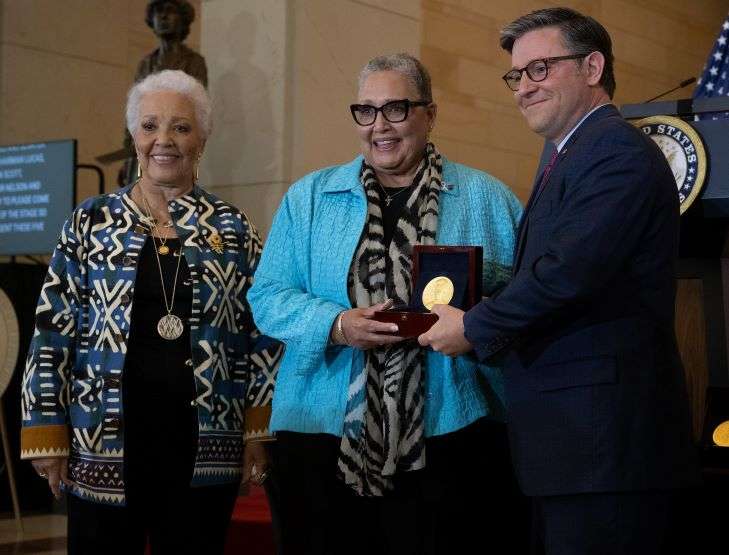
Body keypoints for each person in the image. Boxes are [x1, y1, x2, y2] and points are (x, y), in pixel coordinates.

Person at [419, 8, 700, 555]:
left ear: (592, 66)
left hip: (605, 447)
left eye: (540, 69)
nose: (524, 88)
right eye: (517, 75)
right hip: (573, 447)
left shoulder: (615, 152)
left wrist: (473, 326)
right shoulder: (572, 154)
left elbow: (567, 273)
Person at [248, 53, 526, 555]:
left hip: (453, 429)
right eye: (366, 111)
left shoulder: (489, 199)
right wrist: (335, 324)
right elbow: (267, 297)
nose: (380, 126)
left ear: (430, 114)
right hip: (320, 432)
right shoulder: (309, 197)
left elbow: (525, 300)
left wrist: (476, 321)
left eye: (397, 109)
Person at [20, 69, 280, 554]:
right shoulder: (90, 221)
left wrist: (257, 431)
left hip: (206, 443)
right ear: (133, 136)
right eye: (150, 126)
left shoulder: (234, 227)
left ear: (202, 138)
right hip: (101, 440)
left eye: (181, 127)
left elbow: (261, 336)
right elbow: (51, 329)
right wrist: (47, 430)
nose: (164, 140)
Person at [119, 0, 208, 186]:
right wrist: (127, 157)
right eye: (158, 12)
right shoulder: (146, 63)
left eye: (170, 11)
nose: (163, 17)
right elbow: (133, 114)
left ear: (183, 20)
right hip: (144, 148)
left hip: (175, 149)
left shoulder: (194, 62)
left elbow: (197, 114)